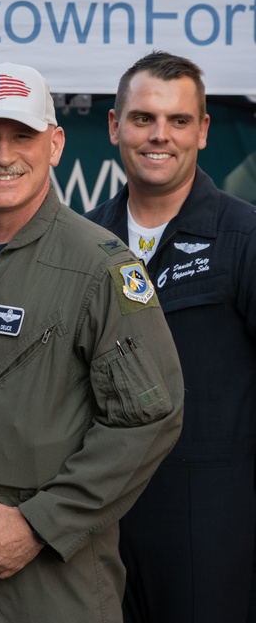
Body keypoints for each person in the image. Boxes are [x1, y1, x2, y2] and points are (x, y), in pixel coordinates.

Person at [0, 62, 184, 620]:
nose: (3, 155)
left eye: (23, 135)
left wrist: (41, 524)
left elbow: (150, 417)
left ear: (56, 143)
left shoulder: (99, 265)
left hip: (50, 586)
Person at [84, 51, 256, 623]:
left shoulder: (244, 236)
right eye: (142, 119)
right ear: (115, 126)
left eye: (179, 121)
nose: (160, 136)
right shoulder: (83, 242)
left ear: (202, 131)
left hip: (213, 525)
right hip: (96, 519)